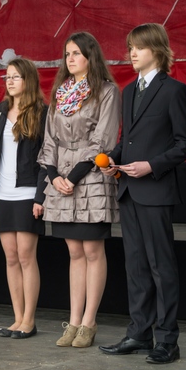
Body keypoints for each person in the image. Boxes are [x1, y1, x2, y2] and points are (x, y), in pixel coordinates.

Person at [97, 23, 186, 364]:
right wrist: (114, 158)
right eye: (130, 47)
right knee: (136, 267)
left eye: (138, 47)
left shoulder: (174, 90)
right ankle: (139, 333)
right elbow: (128, 139)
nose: (132, 53)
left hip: (155, 191)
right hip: (129, 190)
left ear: (157, 49)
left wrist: (152, 165)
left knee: (160, 267)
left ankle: (168, 340)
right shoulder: (128, 91)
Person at [37, 32, 122, 348]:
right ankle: (73, 321)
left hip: (91, 178)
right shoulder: (60, 92)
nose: (70, 59)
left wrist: (74, 176)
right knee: (74, 251)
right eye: (67, 54)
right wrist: (53, 175)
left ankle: (89, 322)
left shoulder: (107, 91)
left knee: (92, 250)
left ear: (90, 56)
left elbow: (104, 139)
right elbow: (49, 140)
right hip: (61, 178)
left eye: (76, 53)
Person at [0, 58, 47, 339]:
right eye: (7, 76)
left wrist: (40, 196)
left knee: (26, 257)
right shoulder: (1, 110)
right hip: (1, 193)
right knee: (10, 257)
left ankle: (29, 320)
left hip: (27, 193)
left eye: (15, 76)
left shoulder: (41, 112)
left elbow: (46, 159)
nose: (9, 81)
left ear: (28, 80)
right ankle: (17, 318)